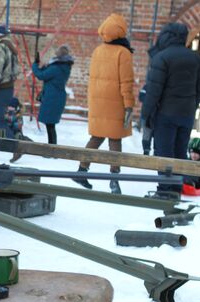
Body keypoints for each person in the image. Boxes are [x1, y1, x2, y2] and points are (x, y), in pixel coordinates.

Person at [72, 13, 134, 195]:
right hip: (116, 102)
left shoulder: (98, 50)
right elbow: (126, 82)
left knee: (97, 137)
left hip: (99, 103)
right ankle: (114, 180)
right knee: (115, 140)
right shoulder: (123, 53)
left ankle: (82, 170)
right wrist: (129, 105)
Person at [140, 22, 200, 196]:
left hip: (166, 114)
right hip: (187, 114)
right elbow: (198, 89)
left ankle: (165, 190)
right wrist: (192, 106)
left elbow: (154, 91)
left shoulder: (162, 57)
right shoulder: (195, 58)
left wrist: (146, 115)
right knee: (180, 152)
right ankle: (175, 188)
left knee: (164, 152)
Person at [32, 45, 74, 145]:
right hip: (56, 97)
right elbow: (46, 74)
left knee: (50, 125)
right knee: (50, 125)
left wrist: (35, 65)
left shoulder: (56, 68)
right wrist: (44, 67)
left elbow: (41, 75)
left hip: (52, 98)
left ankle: (52, 148)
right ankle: (52, 147)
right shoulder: (63, 66)